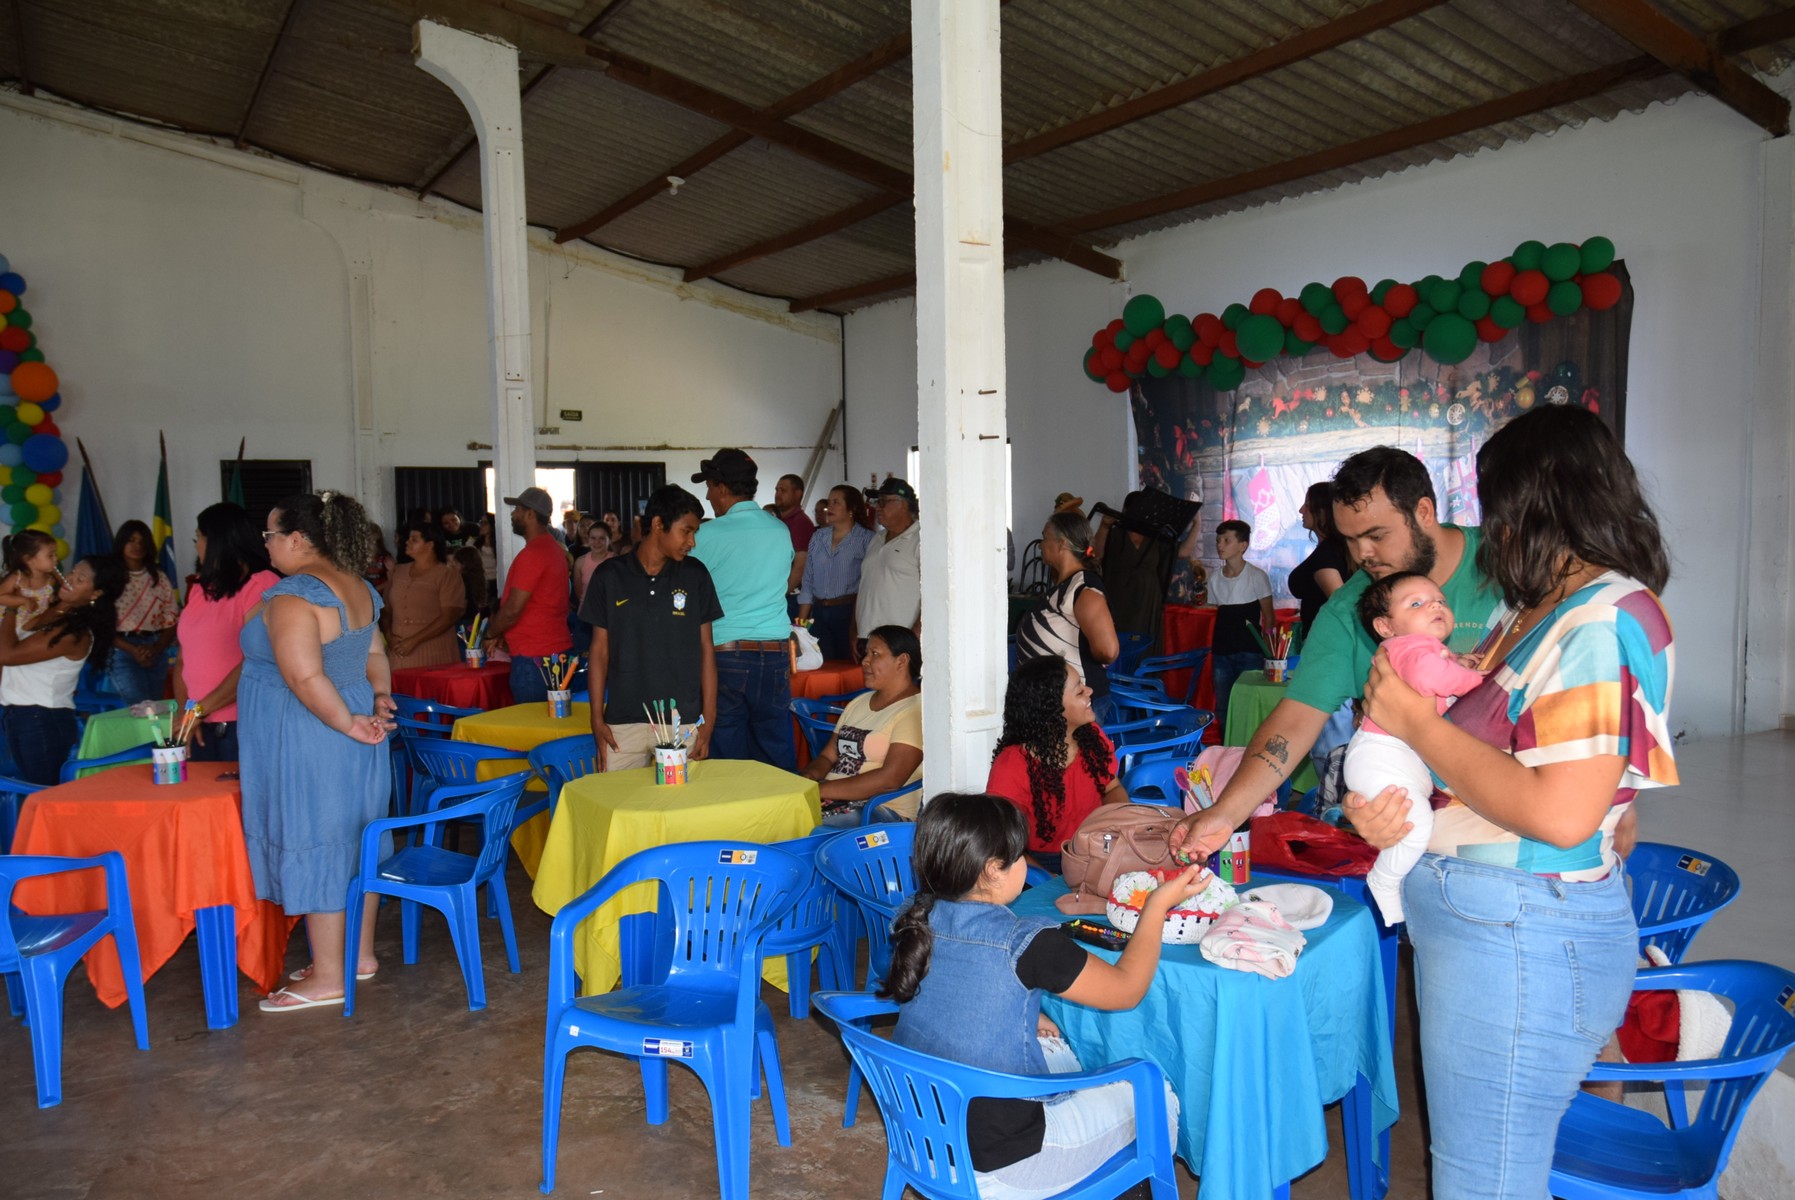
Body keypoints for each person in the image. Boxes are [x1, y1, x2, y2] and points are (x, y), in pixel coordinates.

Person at [1343, 404, 1674, 1199]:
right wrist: (1380, 800)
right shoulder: (1541, 614)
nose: (1490, 530)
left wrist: (1415, 724)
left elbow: (1559, 812)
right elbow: (1481, 760)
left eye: (1496, 508)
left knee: (1481, 1181)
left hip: (1521, 934)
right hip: (1504, 929)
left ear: (1535, 503)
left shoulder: (1593, 621)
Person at [1168, 445, 1503, 865]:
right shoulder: (1350, 609)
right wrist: (1225, 813)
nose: (1362, 554)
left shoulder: (1507, 565)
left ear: (1422, 512)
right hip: (1423, 840)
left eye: (1376, 536)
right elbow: (1295, 720)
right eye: (1350, 539)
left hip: (1530, 831)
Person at [883, 793, 1200, 1199]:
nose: (1025, 863)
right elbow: (1127, 990)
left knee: (1058, 1051)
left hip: (923, 1136)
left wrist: (1022, 1014)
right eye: (1019, 856)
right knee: (1156, 1094)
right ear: (992, 869)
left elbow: (953, 990)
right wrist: (1156, 907)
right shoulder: (1026, 943)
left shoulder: (916, 915)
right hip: (1003, 1167)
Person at [240, 491, 394, 1013]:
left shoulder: (295, 595)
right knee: (355, 840)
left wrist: (345, 723)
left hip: (317, 731)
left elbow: (304, 676)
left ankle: (329, 975)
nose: (267, 546)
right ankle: (359, 957)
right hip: (352, 720)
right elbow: (375, 654)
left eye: (271, 535)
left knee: (320, 839)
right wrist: (375, 699)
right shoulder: (360, 588)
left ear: (299, 540)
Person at [1346, 571, 1485, 924]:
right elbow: (1429, 677)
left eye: (1440, 600)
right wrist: (1481, 683)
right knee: (1416, 824)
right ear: (1386, 626)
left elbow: (1436, 670)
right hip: (1383, 755)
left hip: (1392, 754)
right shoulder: (1409, 647)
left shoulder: (1412, 649)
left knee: (1414, 816)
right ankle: (1385, 879)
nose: (1436, 606)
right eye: (1417, 603)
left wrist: (1456, 662)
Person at [581, 485, 719, 771]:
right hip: (622, 722)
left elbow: (706, 650)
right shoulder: (609, 576)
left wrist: (709, 720)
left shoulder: (696, 575)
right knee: (621, 807)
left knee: (681, 812)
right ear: (658, 524)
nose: (691, 541)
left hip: (683, 722)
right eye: (686, 531)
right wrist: (597, 718)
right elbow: (599, 651)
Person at [690, 449, 796, 768]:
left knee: (726, 756)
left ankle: (734, 818)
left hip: (726, 656)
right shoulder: (780, 530)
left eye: (709, 487)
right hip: (776, 655)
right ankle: (783, 816)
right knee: (775, 749)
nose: (707, 496)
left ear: (722, 487)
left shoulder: (706, 535)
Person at [986, 655, 1126, 875]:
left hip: (1095, 850)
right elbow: (1004, 844)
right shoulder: (1012, 765)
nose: (1089, 691)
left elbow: (1113, 788)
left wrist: (1120, 825)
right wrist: (1047, 879)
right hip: (1042, 863)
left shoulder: (1092, 737)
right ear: (1051, 711)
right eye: (1079, 691)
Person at [0, 556, 125, 784]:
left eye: (79, 579)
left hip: (41, 718)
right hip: (18, 713)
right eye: (71, 572)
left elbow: (7, 655)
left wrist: (10, 605)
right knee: (33, 789)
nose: (68, 579)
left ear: (95, 594)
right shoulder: (51, 610)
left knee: (44, 793)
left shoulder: (75, 633)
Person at [174, 503, 278, 763]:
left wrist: (199, 710)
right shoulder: (200, 587)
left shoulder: (260, 584)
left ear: (217, 541)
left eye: (199, 537)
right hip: (197, 725)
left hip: (240, 724)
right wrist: (189, 714)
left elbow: (257, 662)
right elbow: (183, 659)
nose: (197, 545)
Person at [802, 625, 923, 826]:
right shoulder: (859, 703)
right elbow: (827, 756)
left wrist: (819, 790)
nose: (865, 661)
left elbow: (890, 780)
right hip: (833, 798)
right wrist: (808, 777)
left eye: (874, 654)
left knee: (801, 828)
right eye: (866, 653)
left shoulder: (913, 710)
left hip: (879, 810)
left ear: (901, 661)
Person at [1014, 512, 1120, 725]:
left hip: (1076, 705)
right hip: (1055, 702)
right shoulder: (1066, 585)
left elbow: (1108, 651)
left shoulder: (1084, 589)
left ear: (1061, 544)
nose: (1041, 544)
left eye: (1045, 538)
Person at [481, 487, 572, 706]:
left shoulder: (533, 554)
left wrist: (490, 633)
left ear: (531, 514)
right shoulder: (554, 549)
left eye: (518, 510)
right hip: (550, 650)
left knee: (532, 727)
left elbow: (513, 608)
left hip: (533, 656)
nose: (513, 515)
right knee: (548, 724)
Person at [1207, 518, 1274, 736]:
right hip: (1221, 650)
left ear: (1243, 545)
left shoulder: (1257, 576)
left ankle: (1248, 744)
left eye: (1227, 540)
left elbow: (1269, 617)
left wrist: (1269, 651)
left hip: (1250, 651)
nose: (1220, 545)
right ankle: (1227, 745)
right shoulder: (1214, 578)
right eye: (1218, 540)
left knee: (1248, 699)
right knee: (1224, 704)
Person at [795, 484, 874, 663]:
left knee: (849, 665)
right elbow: (808, 581)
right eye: (829, 502)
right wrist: (801, 624)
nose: (829, 507)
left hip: (849, 613)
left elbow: (868, 584)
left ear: (851, 509)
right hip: (819, 612)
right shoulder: (818, 537)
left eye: (836, 503)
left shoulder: (867, 539)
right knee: (821, 664)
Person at [106, 520, 181, 706]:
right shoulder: (108, 577)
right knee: (139, 708)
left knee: (155, 708)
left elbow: (171, 618)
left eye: (142, 541)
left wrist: (155, 648)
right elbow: (101, 623)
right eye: (131, 540)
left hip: (156, 648)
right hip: (122, 649)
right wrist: (134, 650)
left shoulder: (158, 576)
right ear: (121, 542)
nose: (137, 546)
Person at [1094, 492, 1174, 653]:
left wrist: (1196, 524)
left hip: (1149, 597)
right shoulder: (1116, 532)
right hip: (1120, 595)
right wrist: (1104, 526)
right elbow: (1096, 554)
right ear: (1127, 509)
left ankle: (1144, 675)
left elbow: (1182, 552)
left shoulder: (1155, 536)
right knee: (1121, 636)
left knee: (1146, 639)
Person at [380, 521, 466, 671]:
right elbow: (386, 609)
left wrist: (414, 641)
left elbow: (449, 616)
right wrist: (389, 635)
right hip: (398, 653)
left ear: (430, 545)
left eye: (414, 539)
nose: (407, 542)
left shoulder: (447, 575)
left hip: (435, 654)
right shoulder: (398, 572)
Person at [855, 477, 921, 657]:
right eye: (877, 501)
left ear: (904, 505)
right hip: (866, 637)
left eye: (884, 502)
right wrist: (854, 630)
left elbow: (934, 593)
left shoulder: (920, 540)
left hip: (898, 641)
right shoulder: (876, 539)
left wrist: (916, 634)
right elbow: (865, 587)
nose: (877, 507)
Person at [1288, 480, 1349, 635]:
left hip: (1325, 642)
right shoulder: (1331, 549)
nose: (1301, 510)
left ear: (1323, 511)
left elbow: (1340, 606)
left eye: (1307, 505)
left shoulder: (1327, 554)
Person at [774, 473, 816, 618]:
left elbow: (800, 565)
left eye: (783, 490)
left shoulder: (800, 523)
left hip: (791, 597)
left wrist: (781, 594)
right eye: (777, 490)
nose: (778, 494)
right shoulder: (781, 522)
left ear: (798, 494)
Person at [0, 530, 62, 623]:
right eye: (50, 555)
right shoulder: (17, 577)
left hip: (31, 625)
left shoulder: (51, 578)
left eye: (55, 554)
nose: (56, 558)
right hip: (8, 624)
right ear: (28, 559)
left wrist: (53, 597)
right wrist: (23, 600)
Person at [365, 523, 394, 592]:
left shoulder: (385, 557)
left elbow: (392, 580)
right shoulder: (359, 556)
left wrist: (375, 590)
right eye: (369, 540)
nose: (371, 543)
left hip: (381, 594)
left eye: (374, 541)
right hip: (363, 594)